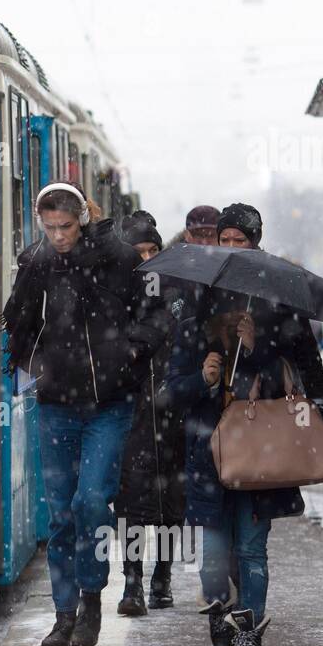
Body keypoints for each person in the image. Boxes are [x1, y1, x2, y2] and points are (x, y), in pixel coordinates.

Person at [2, 183, 168, 646]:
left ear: (82, 220)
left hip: (108, 404)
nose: (59, 236)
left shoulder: (119, 259)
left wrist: (130, 351)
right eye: (50, 228)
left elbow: (155, 317)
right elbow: (17, 321)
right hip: (56, 403)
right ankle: (63, 612)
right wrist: (26, 363)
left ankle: (91, 600)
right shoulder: (35, 263)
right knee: (60, 513)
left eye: (66, 227)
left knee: (91, 501)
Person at [165, 202, 323, 646]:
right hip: (208, 449)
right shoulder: (197, 301)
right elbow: (173, 390)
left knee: (253, 548)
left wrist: (258, 351)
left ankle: (249, 631)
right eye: (226, 240)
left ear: (257, 244)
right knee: (215, 552)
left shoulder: (279, 305)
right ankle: (219, 609)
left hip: (262, 450)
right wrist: (206, 378)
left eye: (242, 241)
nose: (233, 249)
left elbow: (306, 366)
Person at [115, 211, 187, 614]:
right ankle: (132, 583)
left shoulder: (176, 294)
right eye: (138, 251)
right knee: (133, 504)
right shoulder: (117, 298)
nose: (146, 258)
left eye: (152, 249)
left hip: (172, 414)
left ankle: (162, 575)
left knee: (172, 503)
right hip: (133, 415)